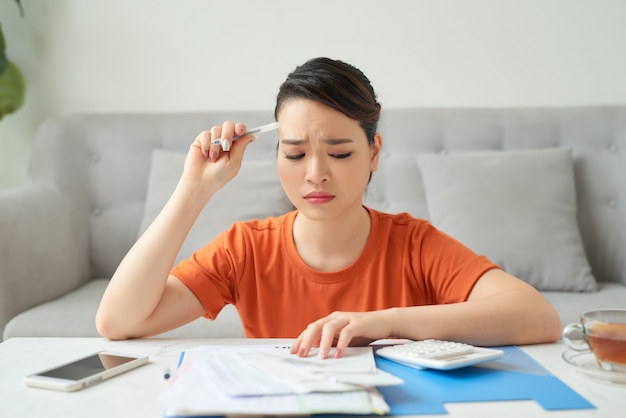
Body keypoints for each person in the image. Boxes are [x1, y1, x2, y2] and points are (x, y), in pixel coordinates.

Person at [96, 57, 562, 358]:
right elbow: (119, 323)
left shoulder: (414, 244)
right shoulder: (246, 250)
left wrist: (383, 323)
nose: (315, 173)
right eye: (295, 154)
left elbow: (538, 317)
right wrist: (194, 189)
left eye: (339, 153)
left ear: (374, 153)